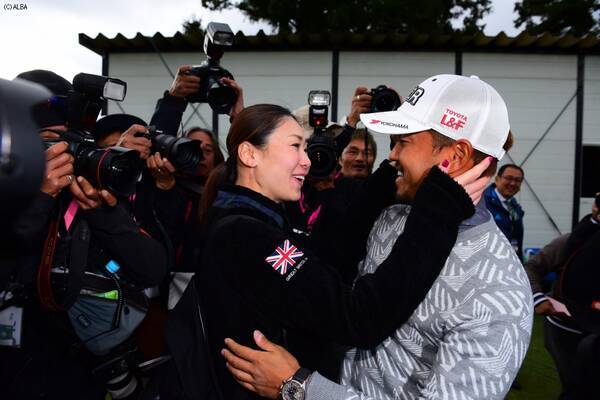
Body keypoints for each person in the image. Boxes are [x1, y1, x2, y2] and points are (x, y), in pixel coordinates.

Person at [222, 74, 534, 400]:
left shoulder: (499, 289)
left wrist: (301, 387)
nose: (392, 156)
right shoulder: (392, 217)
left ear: (455, 156)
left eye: (403, 142)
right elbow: (338, 286)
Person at [157, 102, 490, 400]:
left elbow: (328, 259)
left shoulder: (251, 218)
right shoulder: (247, 234)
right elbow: (359, 318)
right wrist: (435, 215)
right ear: (250, 155)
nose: (307, 161)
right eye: (295, 146)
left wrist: (392, 174)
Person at [1, 70, 168, 400]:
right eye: (51, 141)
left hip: (77, 369)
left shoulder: (88, 192)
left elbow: (152, 269)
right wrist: (38, 199)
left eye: (72, 141)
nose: (64, 153)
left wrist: (104, 213)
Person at [524, 193, 599, 400]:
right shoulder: (570, 241)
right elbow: (531, 268)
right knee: (576, 386)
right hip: (565, 326)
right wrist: (538, 297)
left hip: (594, 327)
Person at [484, 163, 525, 259]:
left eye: (517, 180)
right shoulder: (482, 203)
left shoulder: (514, 205)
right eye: (508, 178)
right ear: (497, 179)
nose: (513, 183)